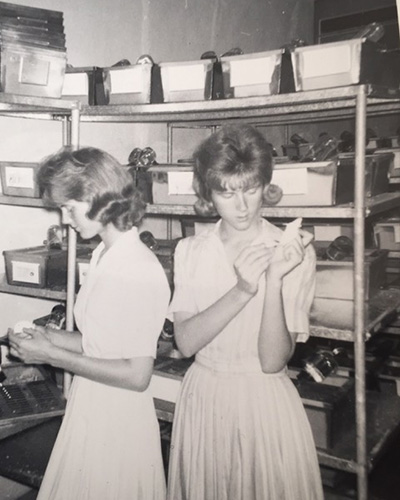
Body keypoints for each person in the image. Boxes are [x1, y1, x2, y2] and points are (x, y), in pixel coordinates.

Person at [166, 124, 324, 500]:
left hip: (264, 402)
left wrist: (274, 281)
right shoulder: (190, 250)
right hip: (205, 399)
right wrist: (242, 290)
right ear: (209, 193)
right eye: (227, 193)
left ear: (265, 185)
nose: (242, 207)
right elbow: (186, 343)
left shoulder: (293, 252)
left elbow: (272, 361)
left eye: (251, 190)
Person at [8, 147, 170, 500]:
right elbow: (99, 343)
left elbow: (137, 375)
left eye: (69, 207)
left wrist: (50, 355)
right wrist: (46, 336)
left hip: (119, 418)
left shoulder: (138, 268)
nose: (66, 219)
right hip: (92, 403)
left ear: (98, 197)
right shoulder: (103, 255)